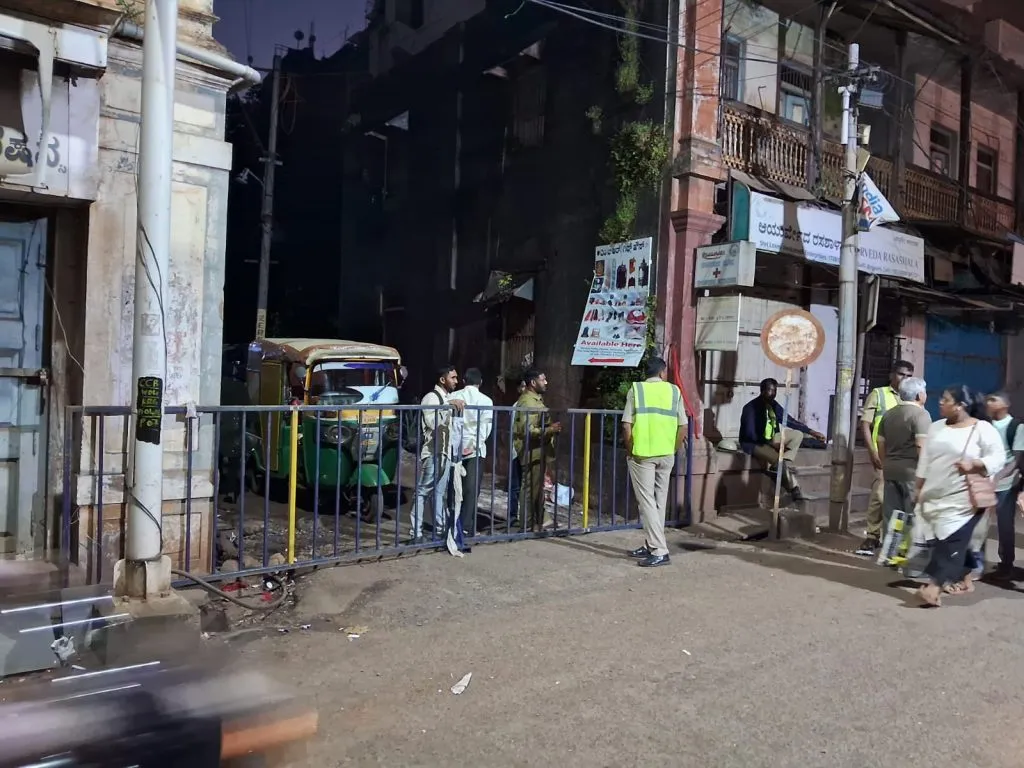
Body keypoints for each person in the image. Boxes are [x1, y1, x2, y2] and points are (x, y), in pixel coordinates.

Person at [913, 384, 1004, 606]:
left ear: (961, 406)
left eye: (946, 400)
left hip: (966, 498)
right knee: (944, 538)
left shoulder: (982, 429)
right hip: (935, 493)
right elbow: (925, 460)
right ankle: (965, 576)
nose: (940, 403)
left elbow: (998, 457)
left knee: (952, 540)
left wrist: (975, 464)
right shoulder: (935, 428)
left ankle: (934, 587)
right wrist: (918, 487)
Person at [621, 357, 687, 568]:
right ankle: (652, 544)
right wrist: (674, 448)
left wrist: (631, 450)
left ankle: (659, 550)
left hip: (643, 455)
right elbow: (683, 427)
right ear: (662, 373)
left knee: (646, 501)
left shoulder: (637, 390)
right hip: (666, 454)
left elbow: (626, 425)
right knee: (658, 501)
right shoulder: (674, 391)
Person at [856, 360, 915, 556]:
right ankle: (872, 535)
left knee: (899, 499)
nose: (905, 379)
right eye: (901, 374)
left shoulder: (912, 397)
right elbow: (866, 424)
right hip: (882, 455)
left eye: (909, 376)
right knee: (880, 496)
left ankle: (894, 539)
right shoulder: (879, 394)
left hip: (904, 458)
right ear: (892, 375)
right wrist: (872, 451)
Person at [875, 376, 932, 565]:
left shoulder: (889, 414)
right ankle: (911, 560)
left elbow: (880, 442)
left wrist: (886, 463)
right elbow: (921, 447)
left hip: (891, 469)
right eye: (924, 391)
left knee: (893, 515)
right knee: (914, 515)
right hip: (911, 472)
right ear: (918, 395)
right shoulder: (921, 415)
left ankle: (890, 556)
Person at [739, 378, 824, 503]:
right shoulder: (751, 408)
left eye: (775, 391)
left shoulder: (773, 405)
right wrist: (771, 444)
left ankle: (780, 464)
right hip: (754, 443)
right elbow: (750, 434)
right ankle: (793, 488)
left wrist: (811, 432)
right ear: (762, 391)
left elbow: (788, 420)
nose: (773, 393)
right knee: (776, 458)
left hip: (772, 438)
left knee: (797, 435)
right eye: (770, 390)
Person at [410, 365, 465, 543]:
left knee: (440, 492)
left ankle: (441, 530)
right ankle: (415, 532)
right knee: (423, 492)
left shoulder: (448, 398)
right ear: (443, 380)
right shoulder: (431, 398)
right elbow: (433, 423)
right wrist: (447, 406)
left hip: (445, 452)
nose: (456, 381)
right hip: (433, 452)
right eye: (453, 378)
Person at [513, 369, 561, 531]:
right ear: (533, 383)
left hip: (537, 451)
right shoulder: (528, 402)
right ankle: (526, 524)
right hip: (531, 451)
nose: (546, 382)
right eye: (543, 379)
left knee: (535, 486)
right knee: (529, 489)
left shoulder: (534, 400)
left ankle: (541, 519)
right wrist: (550, 430)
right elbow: (528, 430)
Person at [984, 391, 1024, 579]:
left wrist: (997, 478)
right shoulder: (986, 425)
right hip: (987, 480)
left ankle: (1006, 564)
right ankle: (975, 563)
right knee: (979, 523)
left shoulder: (1016, 426)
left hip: (1007, 483)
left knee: (1004, 525)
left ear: (1005, 404)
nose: (989, 402)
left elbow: (1015, 460)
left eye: (993, 400)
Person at [451, 368, 494, 538]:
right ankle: (466, 526)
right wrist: (474, 444)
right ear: (480, 382)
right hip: (476, 449)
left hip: (455, 446)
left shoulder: (453, 397)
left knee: (454, 487)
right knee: (471, 489)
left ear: (463, 381)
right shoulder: (486, 400)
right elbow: (486, 427)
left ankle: (450, 525)